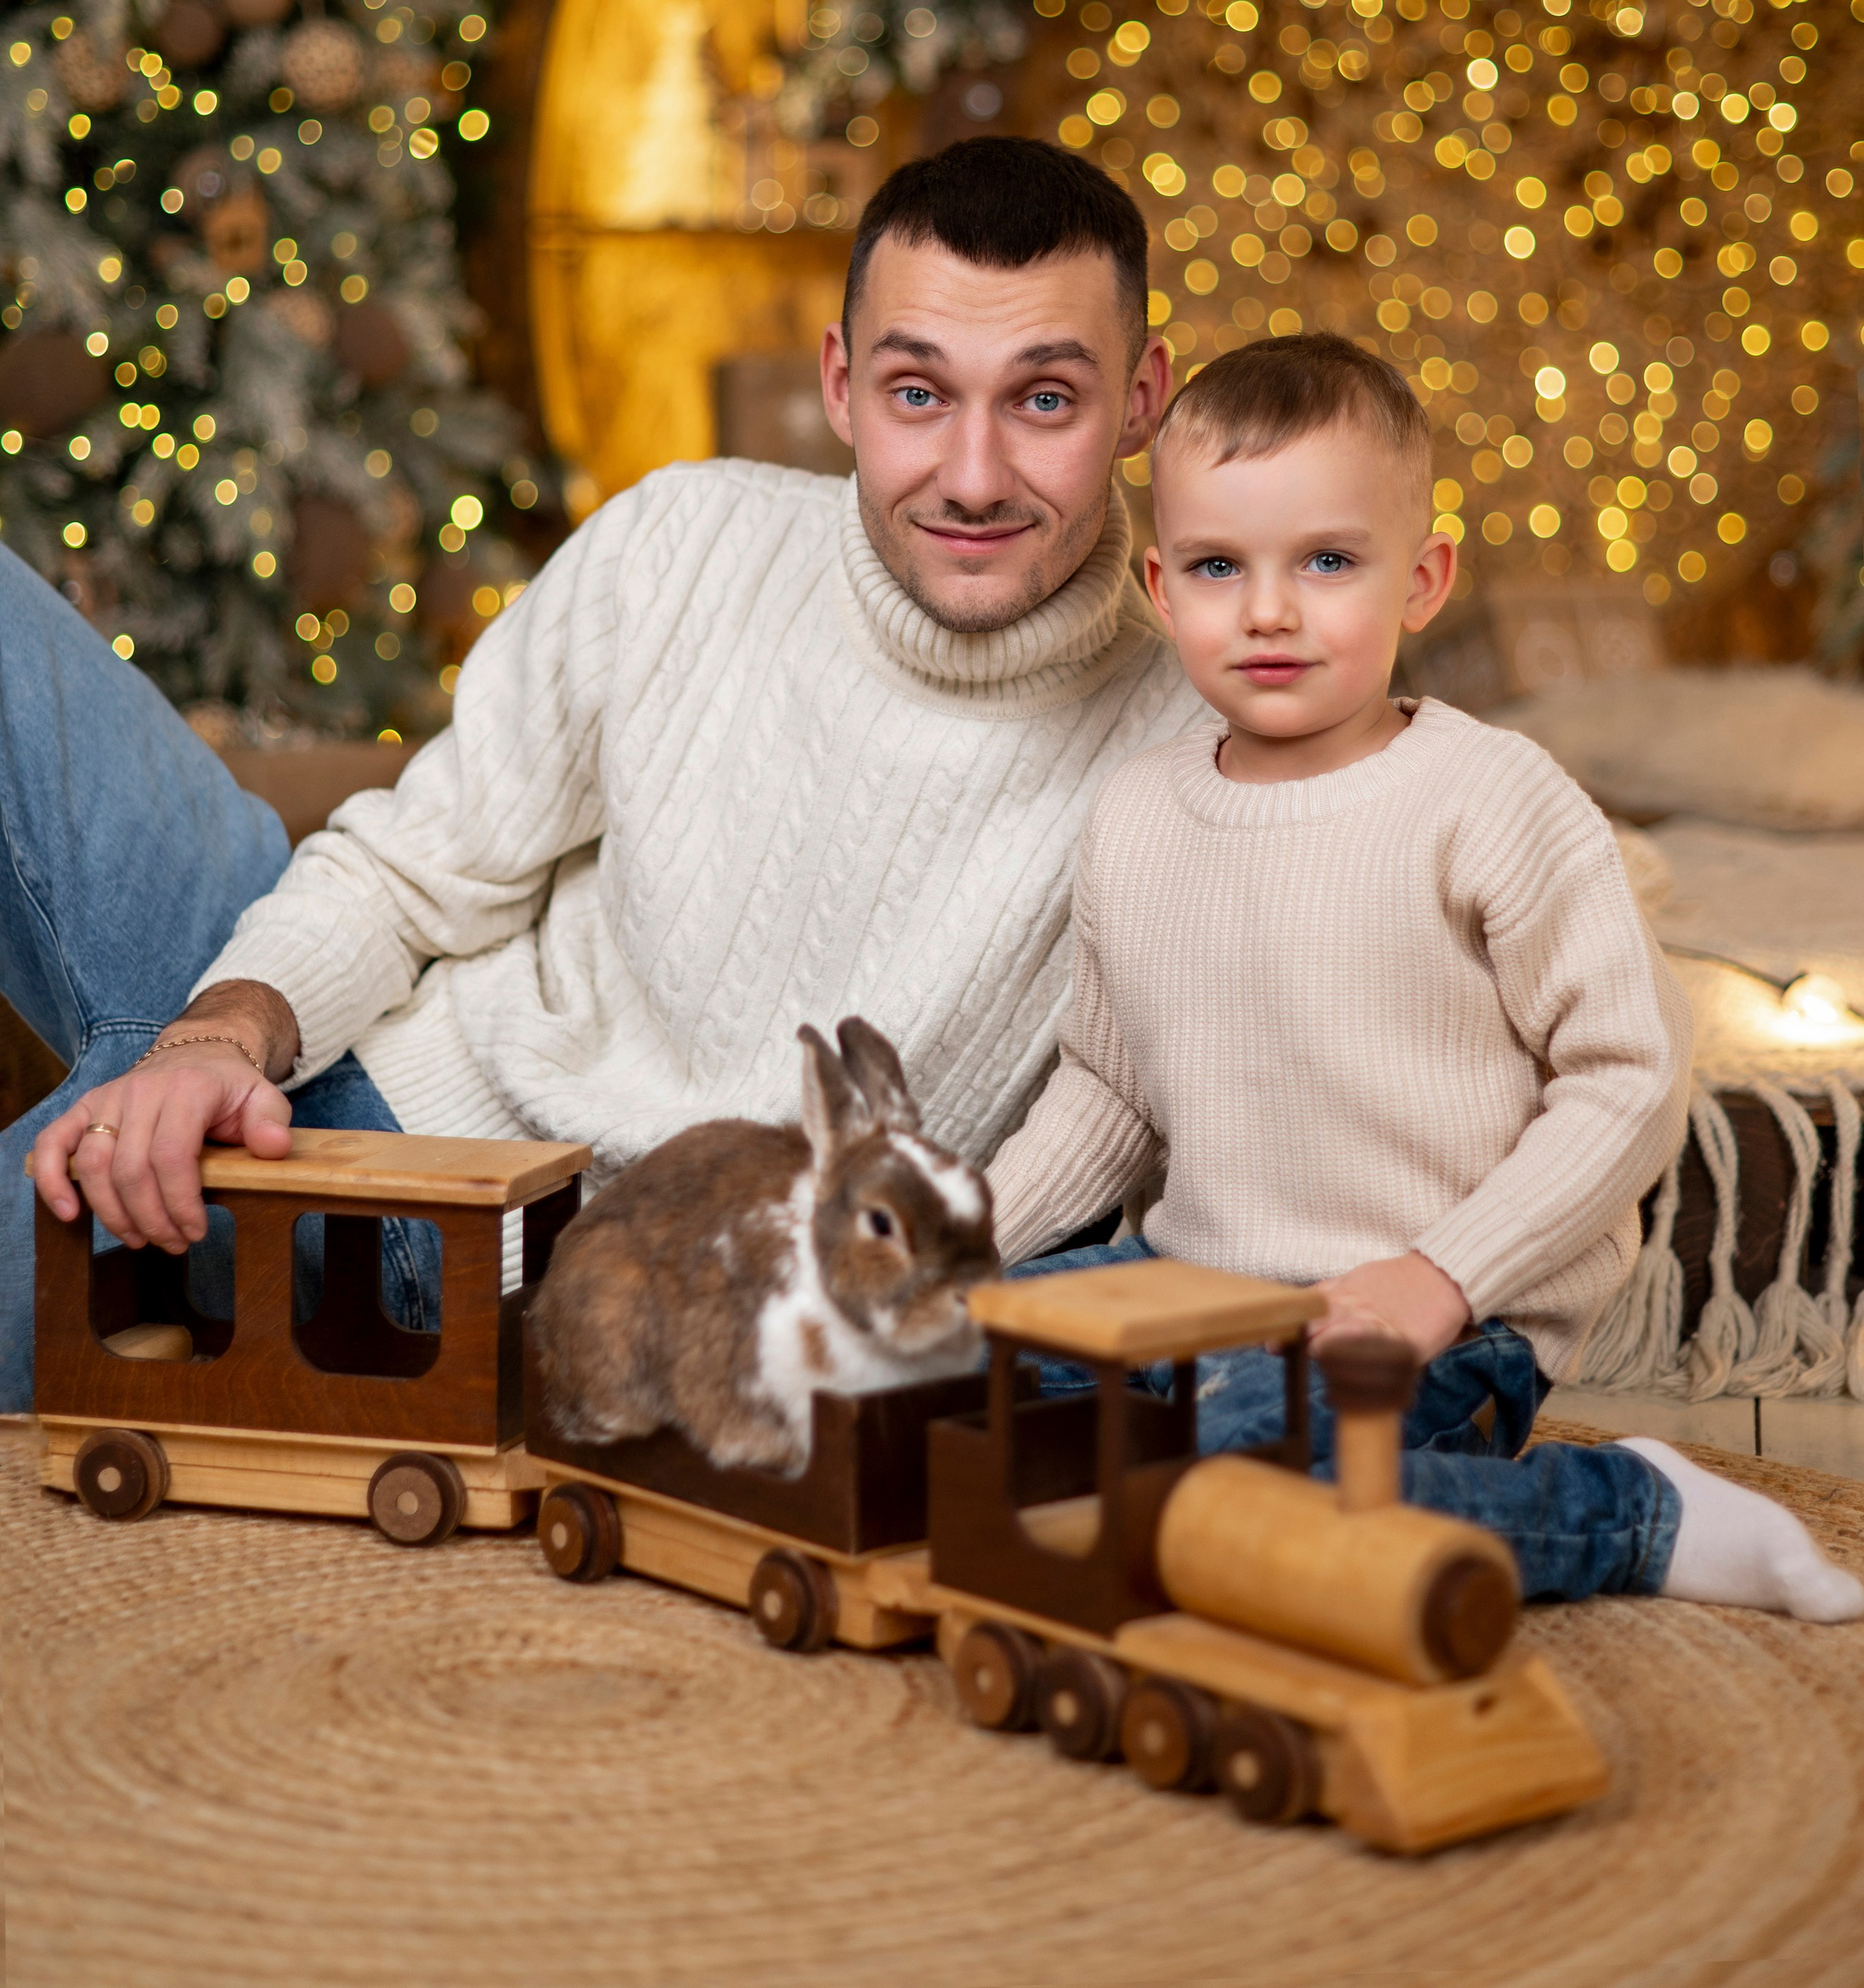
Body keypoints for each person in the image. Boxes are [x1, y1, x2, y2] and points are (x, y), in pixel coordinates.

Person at [3, 136, 1207, 1411]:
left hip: (477, 1257)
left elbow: (1162, 1171)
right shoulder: (684, 539)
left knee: (117, 1118)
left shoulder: (1202, 749)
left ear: (1142, 400)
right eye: (919, 393)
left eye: (1044, 401)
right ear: (842, 385)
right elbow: (408, 873)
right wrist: (216, 1038)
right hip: (339, 1049)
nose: (972, 477)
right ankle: (155, 1083)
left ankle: (144, 1122)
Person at [985, 331, 1864, 1622]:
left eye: (1328, 562)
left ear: (1424, 579)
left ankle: (1635, 1507)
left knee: (1248, 1496)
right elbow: (1109, 1094)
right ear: (1162, 589)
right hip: (1184, 1291)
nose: (1270, 611)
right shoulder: (1135, 816)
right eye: (1221, 567)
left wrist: (1443, 1275)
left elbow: (1629, 1077)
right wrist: (949, 1253)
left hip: (1433, 1313)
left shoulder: (1488, 798)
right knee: (907, 1380)